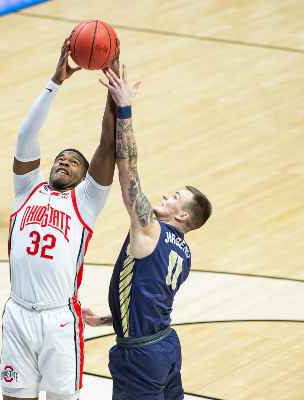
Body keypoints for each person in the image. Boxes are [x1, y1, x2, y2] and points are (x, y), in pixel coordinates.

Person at [83, 65, 212, 399]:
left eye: (175, 198)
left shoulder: (149, 229)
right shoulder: (183, 254)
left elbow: (128, 170)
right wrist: (113, 319)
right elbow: (150, 302)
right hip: (164, 345)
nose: (166, 196)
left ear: (182, 215)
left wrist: (124, 108)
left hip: (140, 355)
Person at [0, 38, 117, 400]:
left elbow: (108, 145)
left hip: (60, 320)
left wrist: (113, 90)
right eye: (60, 158)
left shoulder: (86, 202)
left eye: (74, 161)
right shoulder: (27, 190)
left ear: (84, 177)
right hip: (17, 313)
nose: (64, 161)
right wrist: (55, 81)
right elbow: (25, 135)